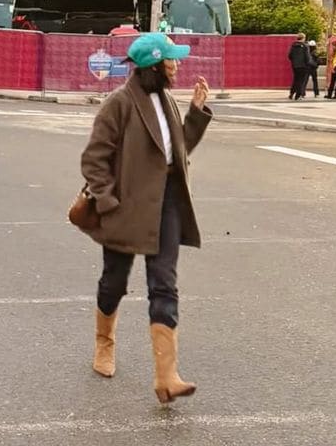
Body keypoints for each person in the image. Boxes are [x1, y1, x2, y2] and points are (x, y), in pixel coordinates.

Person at [80, 32, 212, 403]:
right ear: (154, 65)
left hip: (167, 203)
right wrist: (108, 202)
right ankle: (104, 342)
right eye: (171, 60)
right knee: (114, 283)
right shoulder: (119, 104)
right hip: (126, 207)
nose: (177, 65)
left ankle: (166, 376)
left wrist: (196, 112)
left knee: (164, 286)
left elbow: (176, 152)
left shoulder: (167, 100)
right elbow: (94, 160)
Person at [287, 32, 310, 100]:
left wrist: (294, 61)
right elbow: (307, 57)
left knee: (295, 79)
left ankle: (291, 93)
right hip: (303, 66)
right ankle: (298, 95)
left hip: (295, 66)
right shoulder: (305, 46)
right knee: (301, 81)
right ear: (303, 38)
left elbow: (289, 55)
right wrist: (307, 63)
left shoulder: (293, 45)